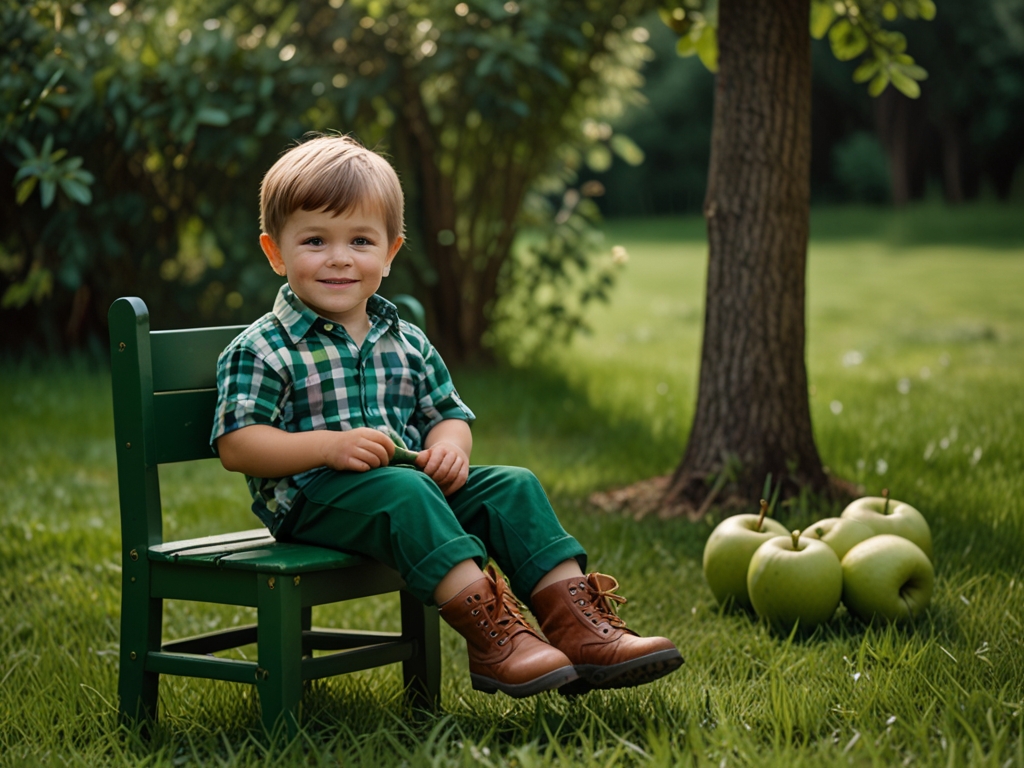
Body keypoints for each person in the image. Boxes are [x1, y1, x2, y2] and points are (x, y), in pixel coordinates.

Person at [210, 133, 683, 698]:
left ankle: (583, 631)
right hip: (313, 499)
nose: (339, 257)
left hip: (408, 490)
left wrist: (450, 447)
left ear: (390, 252)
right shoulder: (263, 347)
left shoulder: (405, 339)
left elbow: (446, 413)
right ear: (276, 252)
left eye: (361, 240)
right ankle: (498, 641)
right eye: (315, 240)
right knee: (403, 495)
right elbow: (238, 444)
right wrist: (327, 447)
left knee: (513, 487)